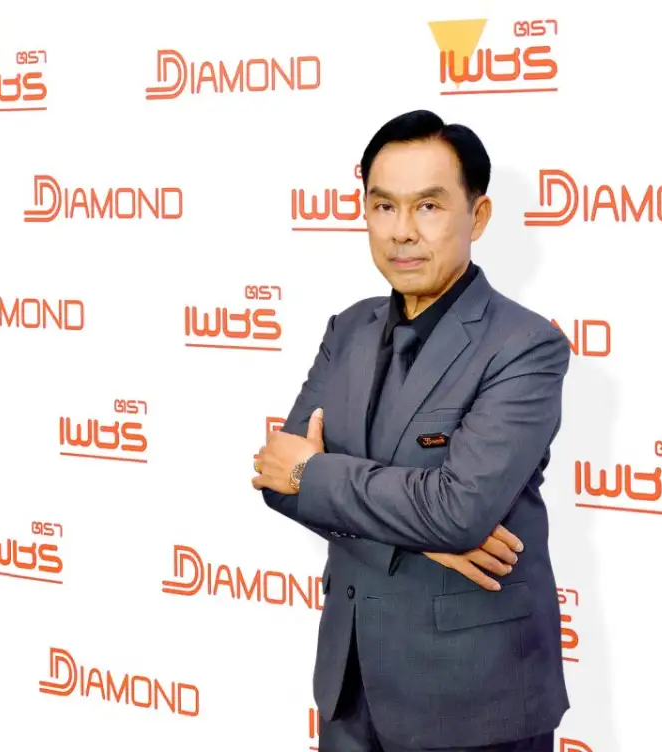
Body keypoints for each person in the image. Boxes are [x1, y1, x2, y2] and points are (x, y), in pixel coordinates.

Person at [252, 110, 570, 751]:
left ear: (478, 216)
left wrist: (317, 473)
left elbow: (458, 511)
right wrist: (423, 540)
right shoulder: (348, 329)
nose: (402, 230)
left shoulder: (525, 345)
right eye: (383, 206)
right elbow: (277, 477)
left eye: (428, 206)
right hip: (350, 688)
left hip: (476, 700)